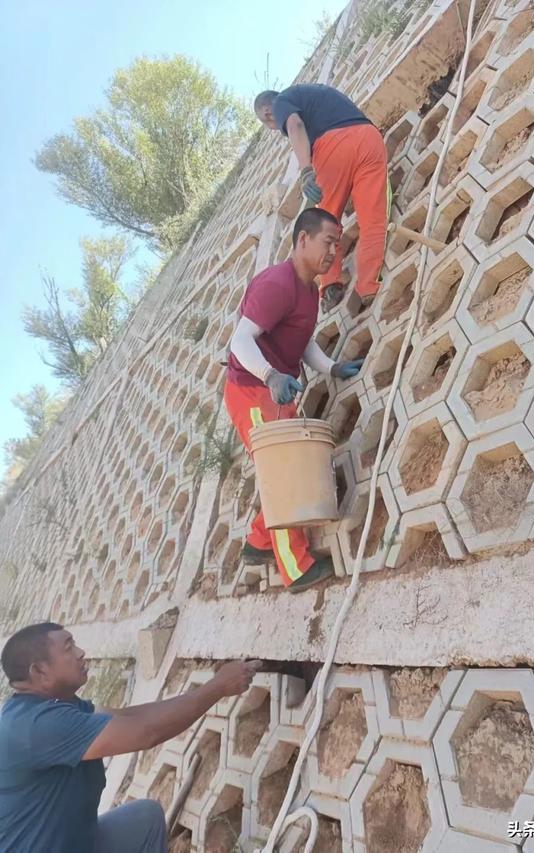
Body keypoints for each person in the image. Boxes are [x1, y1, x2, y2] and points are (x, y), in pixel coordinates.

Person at [0, 622, 261, 853]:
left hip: (77, 842)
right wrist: (218, 688)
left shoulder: (53, 705)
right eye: (68, 648)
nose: (80, 653)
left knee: (144, 820)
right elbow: (146, 733)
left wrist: (213, 686)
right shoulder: (34, 727)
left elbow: (128, 718)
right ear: (39, 672)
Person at [225, 207, 364, 592]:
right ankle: (296, 568)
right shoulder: (277, 284)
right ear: (303, 239)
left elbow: (301, 342)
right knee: (283, 474)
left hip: (276, 388)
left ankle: (257, 543)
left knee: (287, 470)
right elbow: (240, 340)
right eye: (328, 242)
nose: (334, 252)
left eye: (338, 244)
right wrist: (270, 376)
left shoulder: (308, 289)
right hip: (252, 392)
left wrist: (332, 368)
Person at [254, 84, 390, 312]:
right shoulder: (314, 92)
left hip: (334, 145)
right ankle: (368, 287)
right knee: (373, 219)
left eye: (269, 124)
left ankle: (330, 285)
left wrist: (307, 171)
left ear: (267, 113)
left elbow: (295, 125)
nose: (274, 127)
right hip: (369, 137)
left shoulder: (280, 102)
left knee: (326, 222)